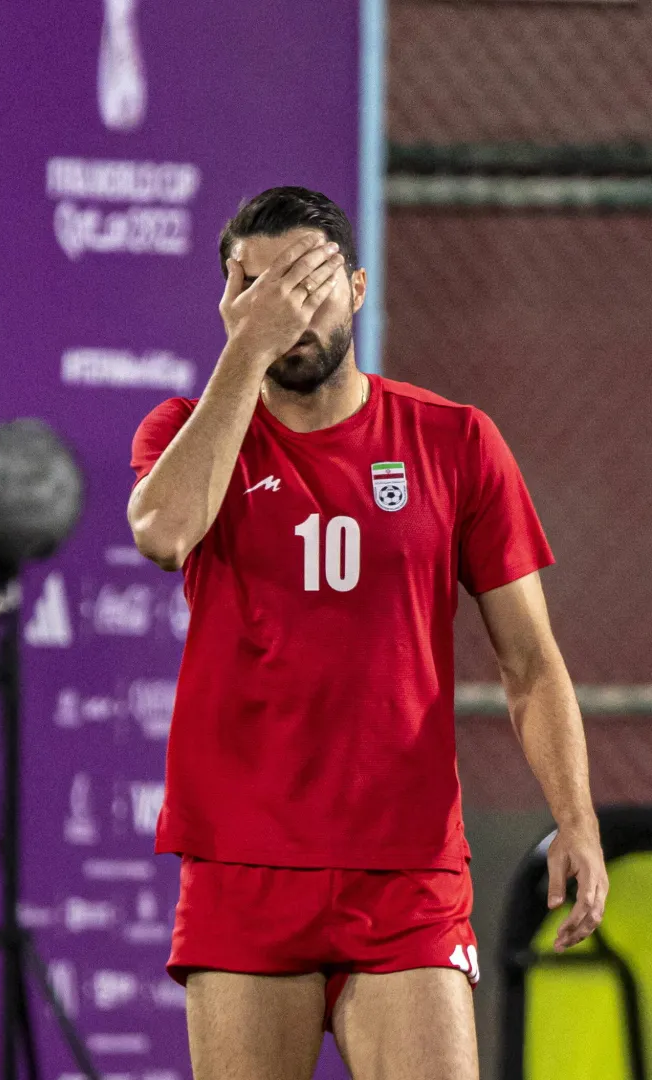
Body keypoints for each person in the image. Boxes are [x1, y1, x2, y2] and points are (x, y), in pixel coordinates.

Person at [126, 186, 609, 1080]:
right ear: (229, 307)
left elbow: (532, 664)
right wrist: (250, 348)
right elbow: (161, 533)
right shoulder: (185, 433)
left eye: (305, 283)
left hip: (407, 867)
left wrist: (575, 816)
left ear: (354, 287)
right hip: (245, 861)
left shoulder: (456, 442)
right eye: (256, 288)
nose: (285, 309)